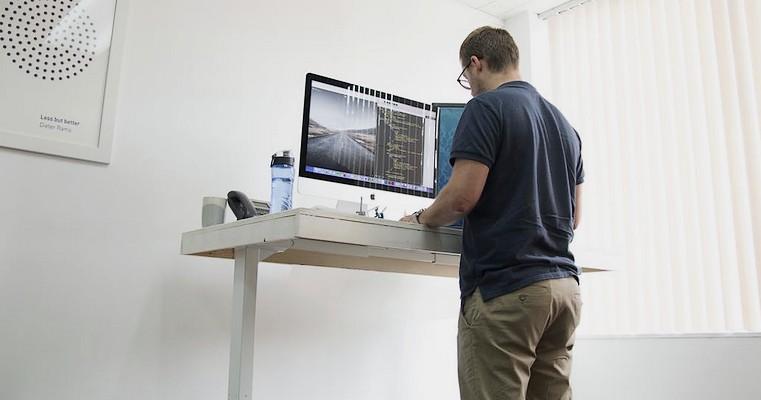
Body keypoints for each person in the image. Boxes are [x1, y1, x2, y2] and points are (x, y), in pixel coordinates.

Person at [401, 26, 585, 400]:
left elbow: (461, 199)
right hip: (564, 293)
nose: (468, 86)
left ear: (476, 64)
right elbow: (573, 219)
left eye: (466, 77)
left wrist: (421, 218)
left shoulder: (485, 107)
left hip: (508, 290)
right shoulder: (565, 125)